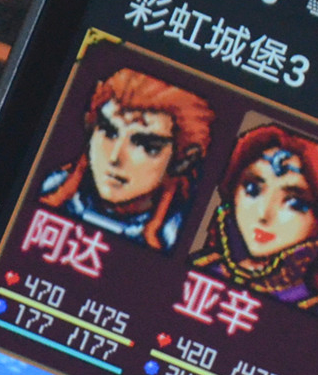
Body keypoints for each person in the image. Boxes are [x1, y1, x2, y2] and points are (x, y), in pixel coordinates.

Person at [191, 124, 318, 311]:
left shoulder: (308, 308)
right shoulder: (200, 265)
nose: (263, 214)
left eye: (295, 203)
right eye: (252, 189)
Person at [40, 68, 215, 250]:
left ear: (183, 161)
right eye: (108, 132)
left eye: (146, 146)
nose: (114, 157)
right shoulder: (49, 187)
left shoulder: (178, 236)